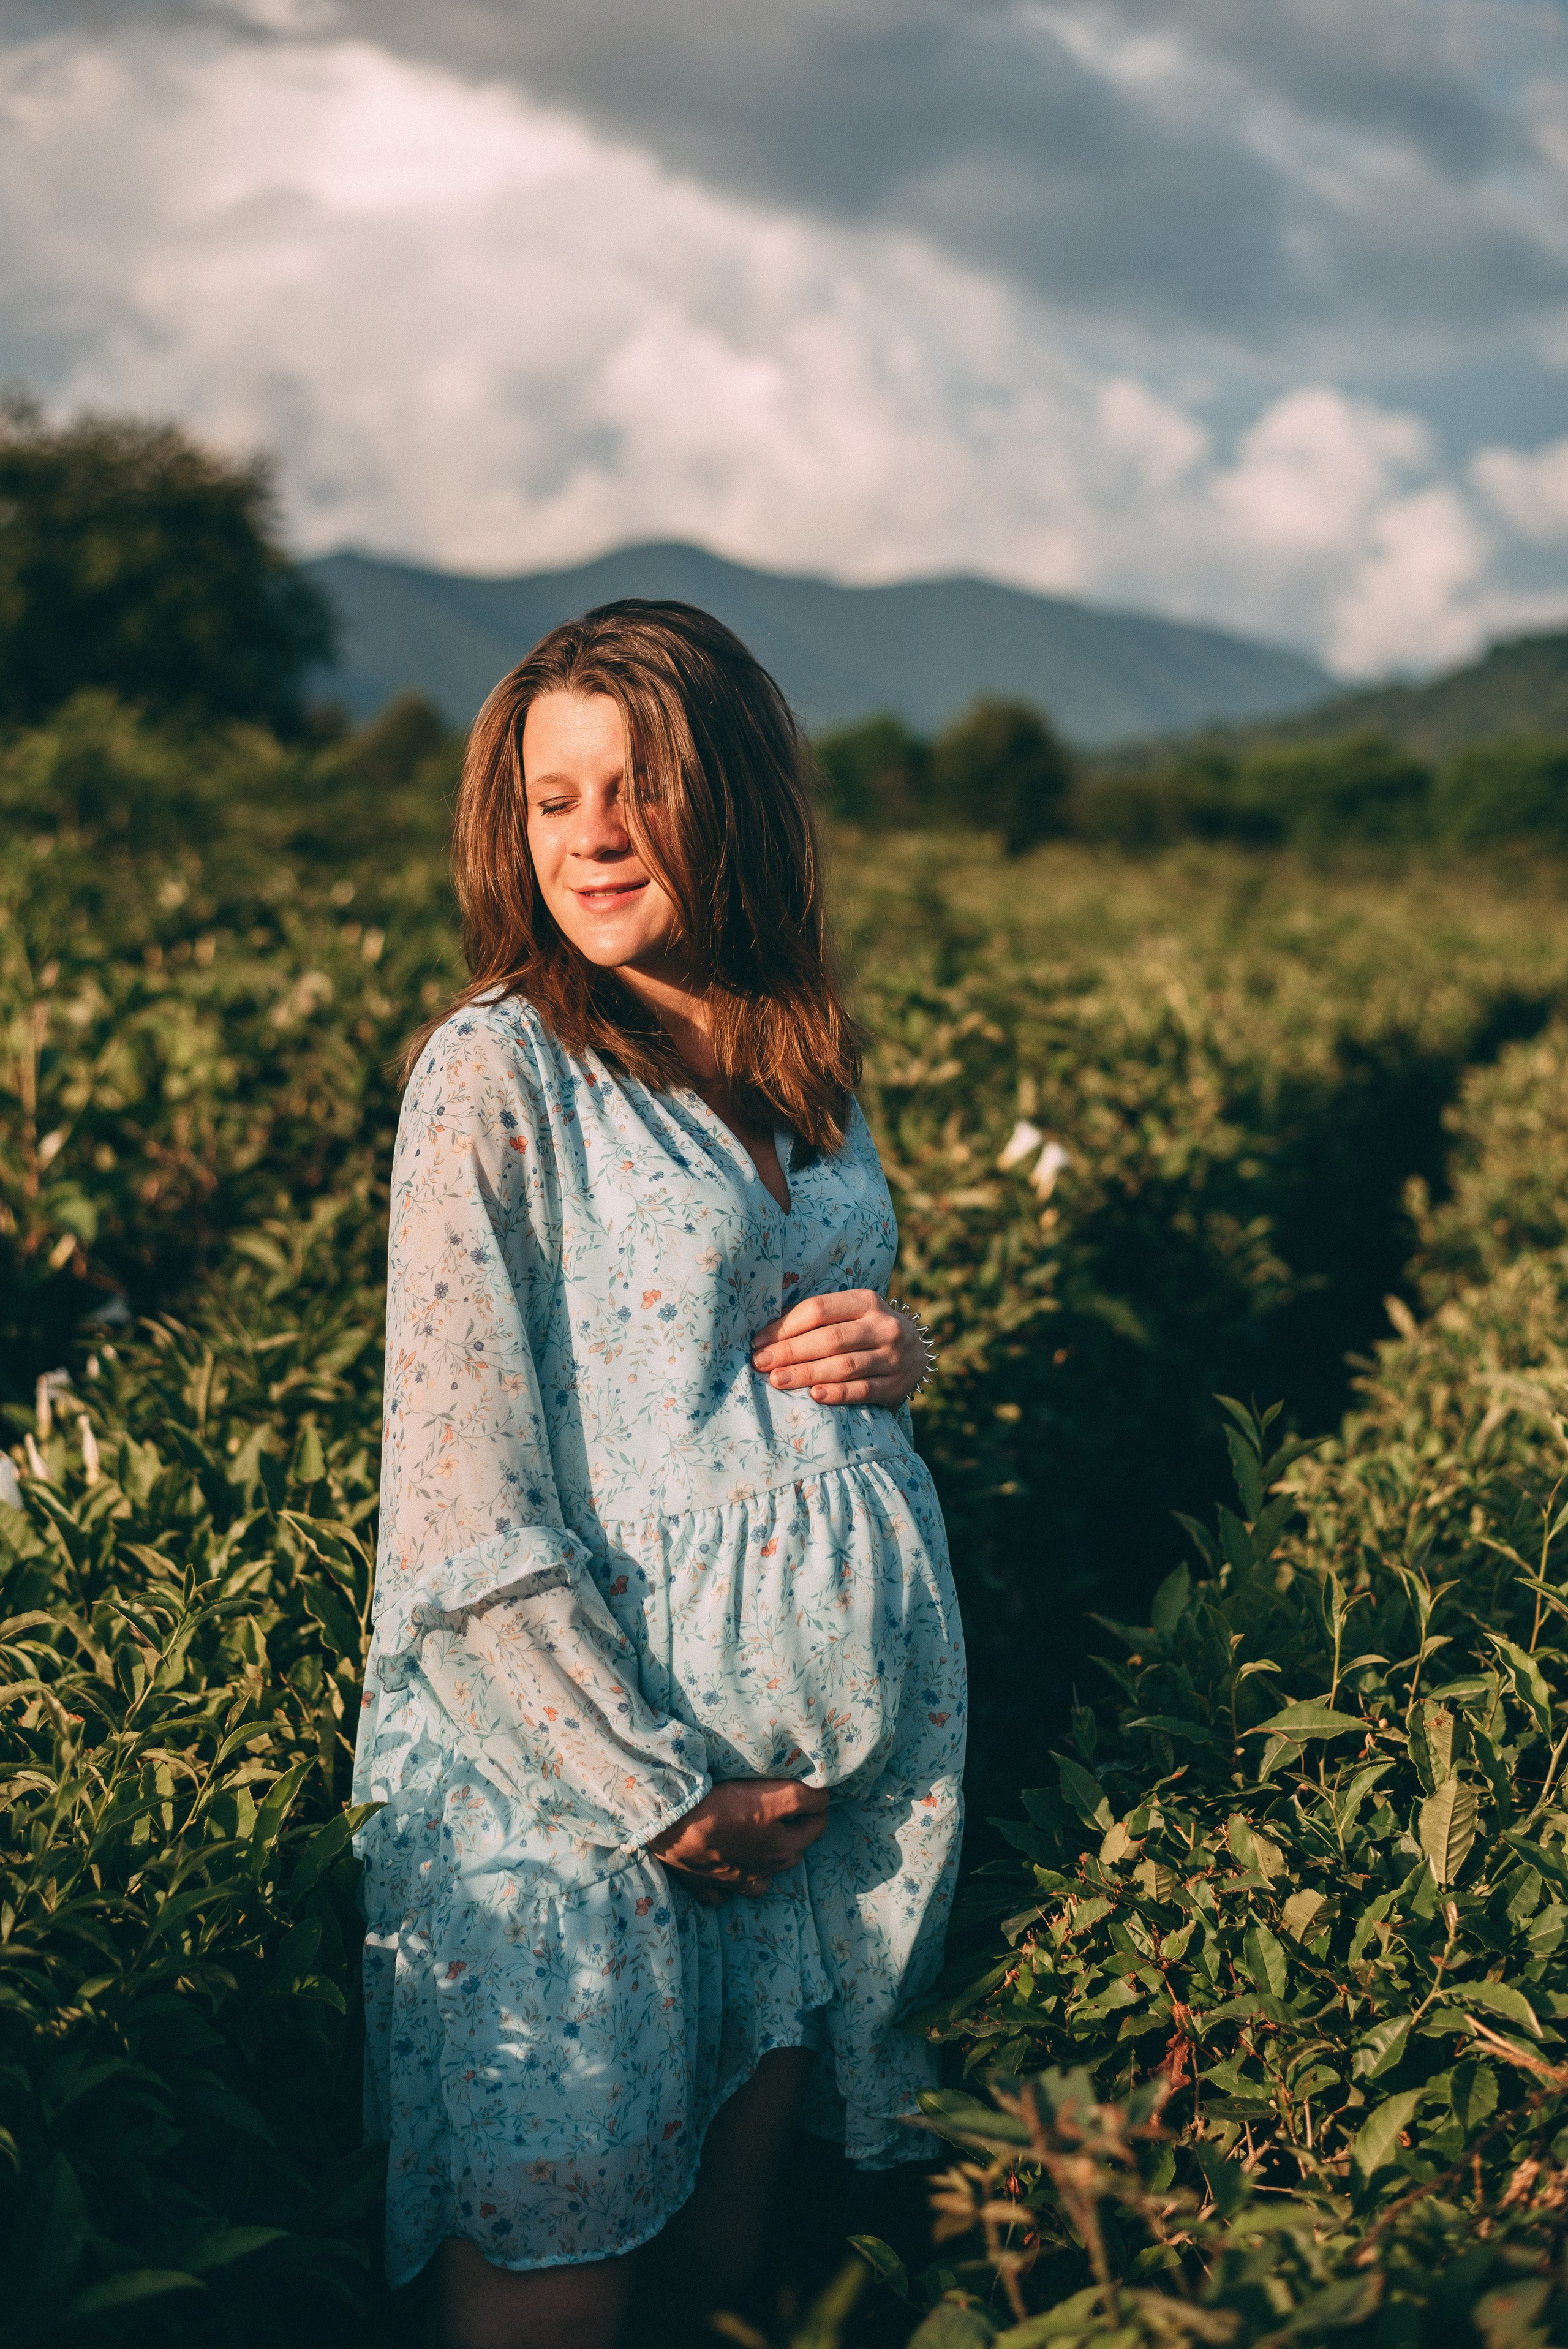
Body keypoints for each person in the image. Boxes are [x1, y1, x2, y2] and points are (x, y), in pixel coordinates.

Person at [352, 600, 967, 2349]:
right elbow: (461, 1496)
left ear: (740, 801)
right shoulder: (496, 1073)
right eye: (553, 798)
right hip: (585, 1802)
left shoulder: (801, 1059)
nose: (592, 834)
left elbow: (774, 1357)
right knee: (557, 2294)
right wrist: (654, 1791)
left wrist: (899, 1354)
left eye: (636, 787)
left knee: (720, 2280)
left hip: (790, 1812)